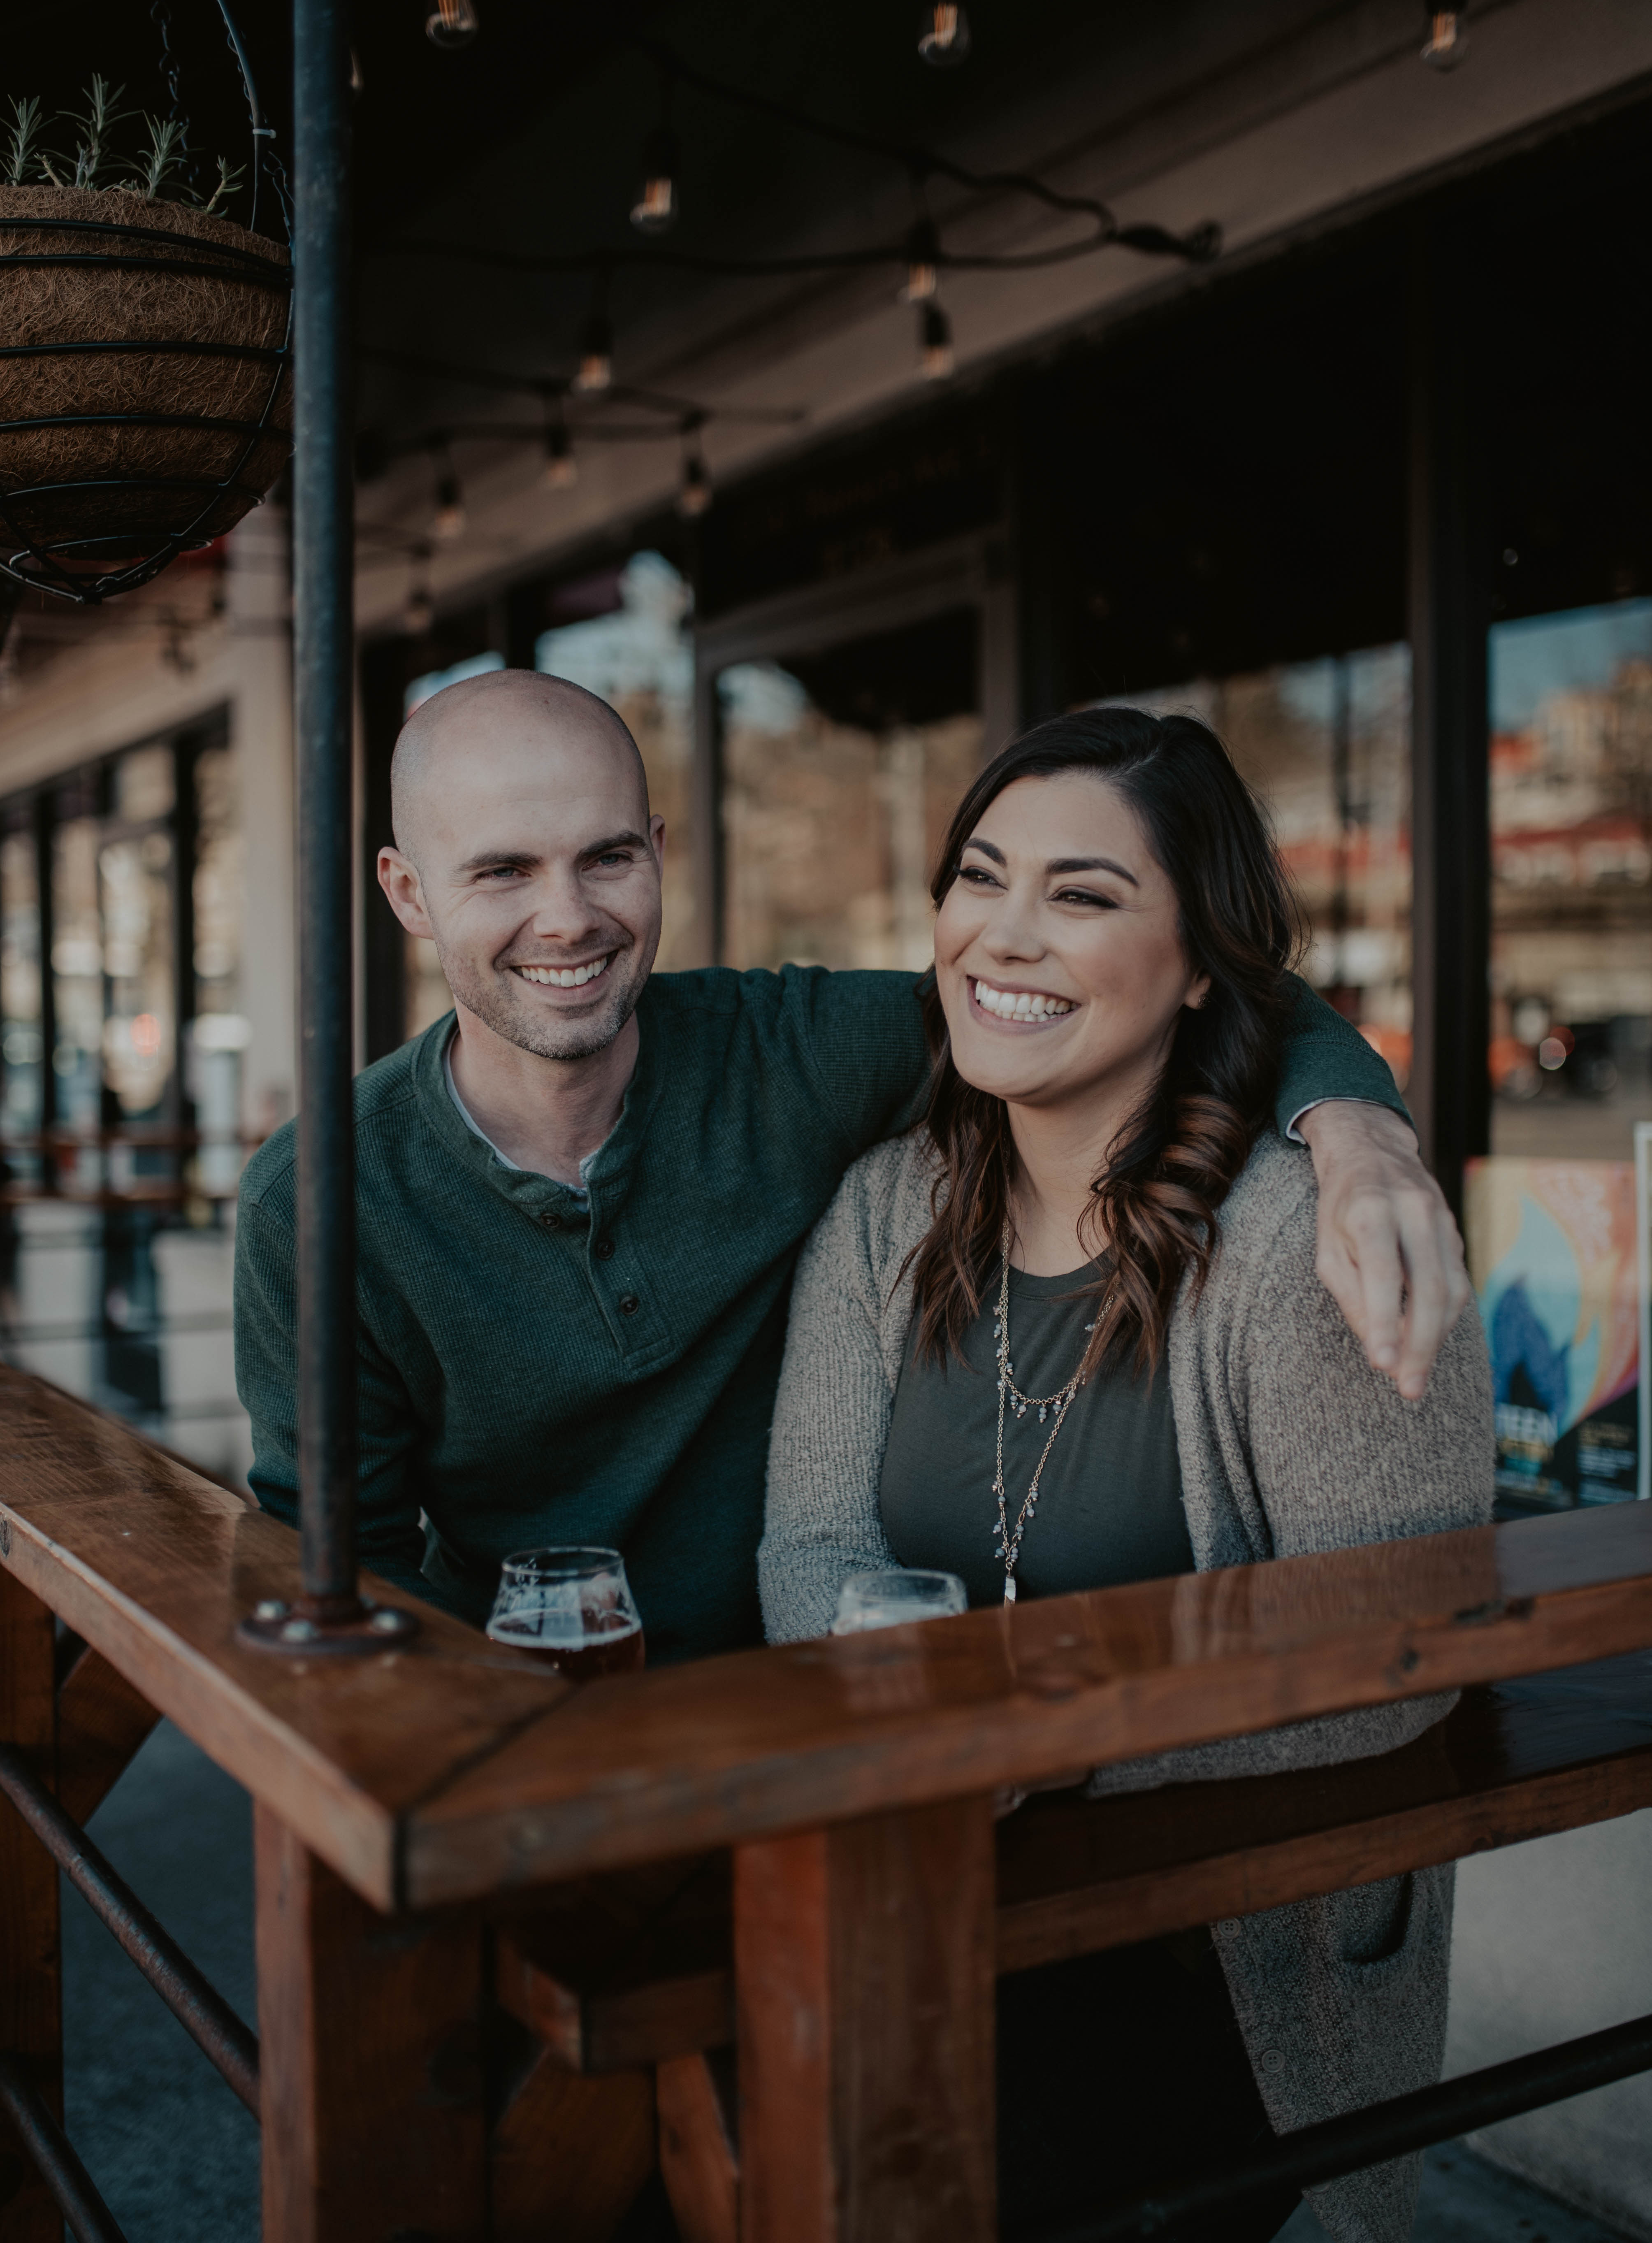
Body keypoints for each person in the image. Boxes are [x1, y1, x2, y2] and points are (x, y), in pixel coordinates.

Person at [234, 670, 1470, 1665]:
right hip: (531, 1738)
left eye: (607, 857)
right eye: (502, 870)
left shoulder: (794, 1053)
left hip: (812, 1733)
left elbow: (1165, 988)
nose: (568, 917)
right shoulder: (321, 1201)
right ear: (406, 893)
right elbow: (347, 1568)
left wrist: (1358, 1135)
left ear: (659, 852)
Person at [756, 706, 1494, 2243]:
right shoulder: (886, 1209)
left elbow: (1396, 1665)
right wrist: (950, 1738)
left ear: (1200, 967)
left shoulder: (1307, 1242)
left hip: (1214, 1957)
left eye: (1082, 895)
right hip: (940, 1894)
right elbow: (804, 1551)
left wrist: (1058, 1742)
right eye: (977, 876)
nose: (1002, 934)